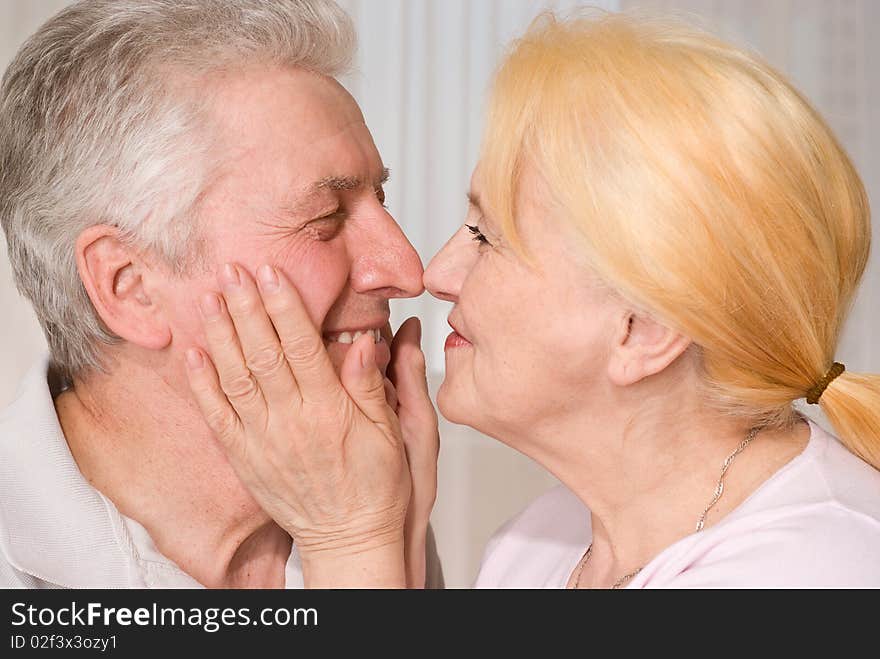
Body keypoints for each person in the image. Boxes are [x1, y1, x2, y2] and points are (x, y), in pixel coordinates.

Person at [184, 10, 880, 588]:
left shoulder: (810, 569)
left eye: (488, 236)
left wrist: (348, 536)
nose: (436, 271)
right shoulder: (541, 545)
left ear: (642, 328)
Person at [0, 0, 443, 589]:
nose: (407, 270)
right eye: (326, 217)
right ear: (130, 287)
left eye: (378, 201)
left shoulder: (372, 499)